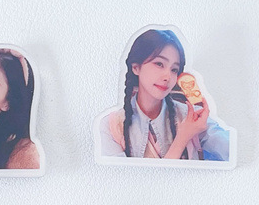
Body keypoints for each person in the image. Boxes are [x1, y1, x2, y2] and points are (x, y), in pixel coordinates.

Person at [98, 28, 230, 161]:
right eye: (159, 64)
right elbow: (120, 175)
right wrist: (182, 138)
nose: (168, 77)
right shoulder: (111, 126)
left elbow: (232, 150)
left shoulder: (194, 118)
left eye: (174, 70)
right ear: (136, 67)